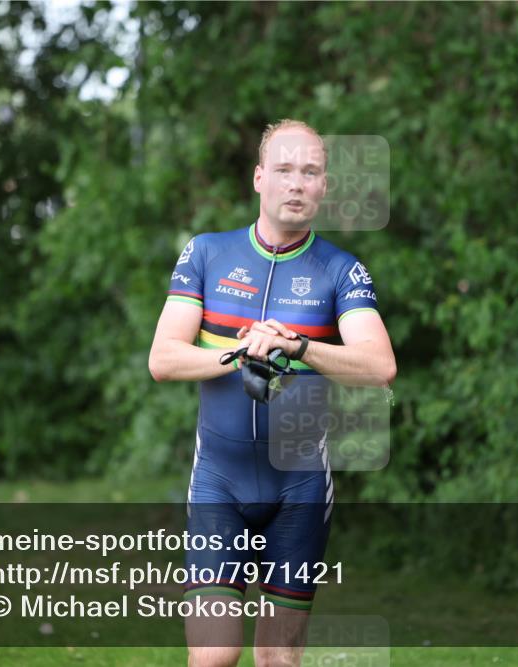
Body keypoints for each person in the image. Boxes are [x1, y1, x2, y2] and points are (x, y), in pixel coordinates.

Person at [149, 119, 396, 667]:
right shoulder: (207, 254)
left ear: (324, 186)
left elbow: (380, 367)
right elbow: (163, 358)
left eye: (310, 172)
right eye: (284, 170)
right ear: (259, 178)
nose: (296, 183)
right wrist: (243, 353)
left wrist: (299, 347)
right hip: (218, 479)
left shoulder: (341, 271)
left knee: (278, 659)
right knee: (214, 656)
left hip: (299, 489)